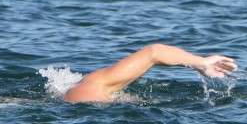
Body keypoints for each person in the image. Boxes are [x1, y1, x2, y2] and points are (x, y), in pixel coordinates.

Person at [63, 44, 237, 103]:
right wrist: (201, 62)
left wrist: (201, 64)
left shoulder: (90, 85)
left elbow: (154, 53)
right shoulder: (92, 85)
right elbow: (154, 52)